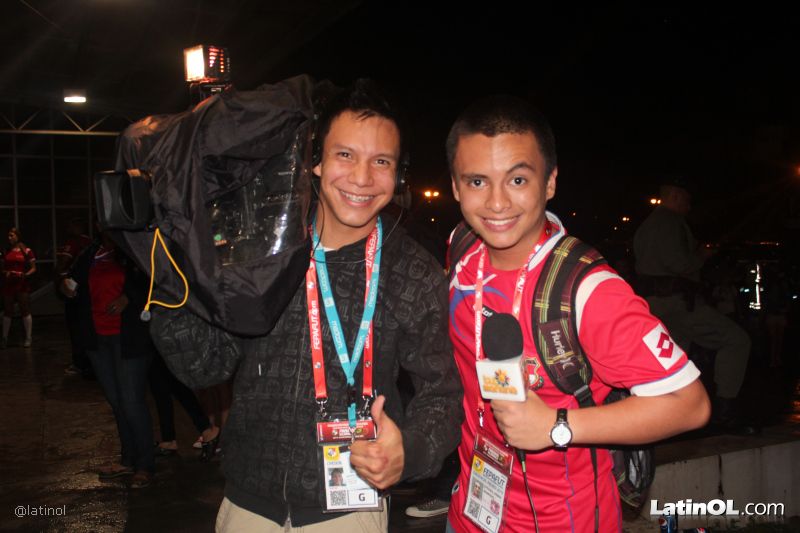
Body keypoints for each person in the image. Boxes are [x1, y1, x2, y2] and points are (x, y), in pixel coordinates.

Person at [150, 78, 463, 532]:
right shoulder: (264, 248)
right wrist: (170, 274)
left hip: (349, 513)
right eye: (345, 155)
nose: (361, 178)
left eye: (381, 161)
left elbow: (444, 392)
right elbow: (203, 366)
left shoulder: (412, 271)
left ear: (398, 175)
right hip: (247, 505)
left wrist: (410, 451)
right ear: (315, 161)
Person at [445, 95, 710, 532]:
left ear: (550, 182)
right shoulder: (463, 251)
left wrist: (557, 426)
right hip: (470, 511)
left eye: (517, 179)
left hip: (564, 521)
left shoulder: (587, 291)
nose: (496, 203)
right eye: (477, 182)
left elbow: (690, 404)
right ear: (456, 187)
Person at [633, 180, 754, 433]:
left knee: (673, 361)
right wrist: (702, 255)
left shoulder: (646, 225)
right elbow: (680, 264)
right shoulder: (671, 222)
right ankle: (725, 410)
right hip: (678, 302)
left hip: (657, 303)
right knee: (736, 340)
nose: (689, 206)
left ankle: (664, 418)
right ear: (676, 196)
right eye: (686, 200)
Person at [62, 231, 155, 488]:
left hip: (129, 338)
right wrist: (66, 288)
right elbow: (72, 283)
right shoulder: (90, 254)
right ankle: (128, 460)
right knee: (117, 402)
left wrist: (128, 298)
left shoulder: (134, 250)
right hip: (98, 339)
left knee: (131, 402)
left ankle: (145, 465)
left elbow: (155, 283)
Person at [56, 218, 93, 375]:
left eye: (72, 225)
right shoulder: (91, 242)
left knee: (76, 326)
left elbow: (63, 263)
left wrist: (60, 277)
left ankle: (80, 362)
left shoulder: (75, 242)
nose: (69, 228)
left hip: (75, 288)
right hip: (88, 291)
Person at [2, 227, 36, 348]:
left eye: (12, 235)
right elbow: (2, 268)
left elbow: (33, 268)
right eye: (8, 235)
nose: (9, 238)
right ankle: (4, 338)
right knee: (7, 310)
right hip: (9, 283)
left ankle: (28, 337)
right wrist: (6, 273)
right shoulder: (6, 250)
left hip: (22, 283)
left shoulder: (26, 250)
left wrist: (25, 275)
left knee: (24, 309)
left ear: (18, 236)